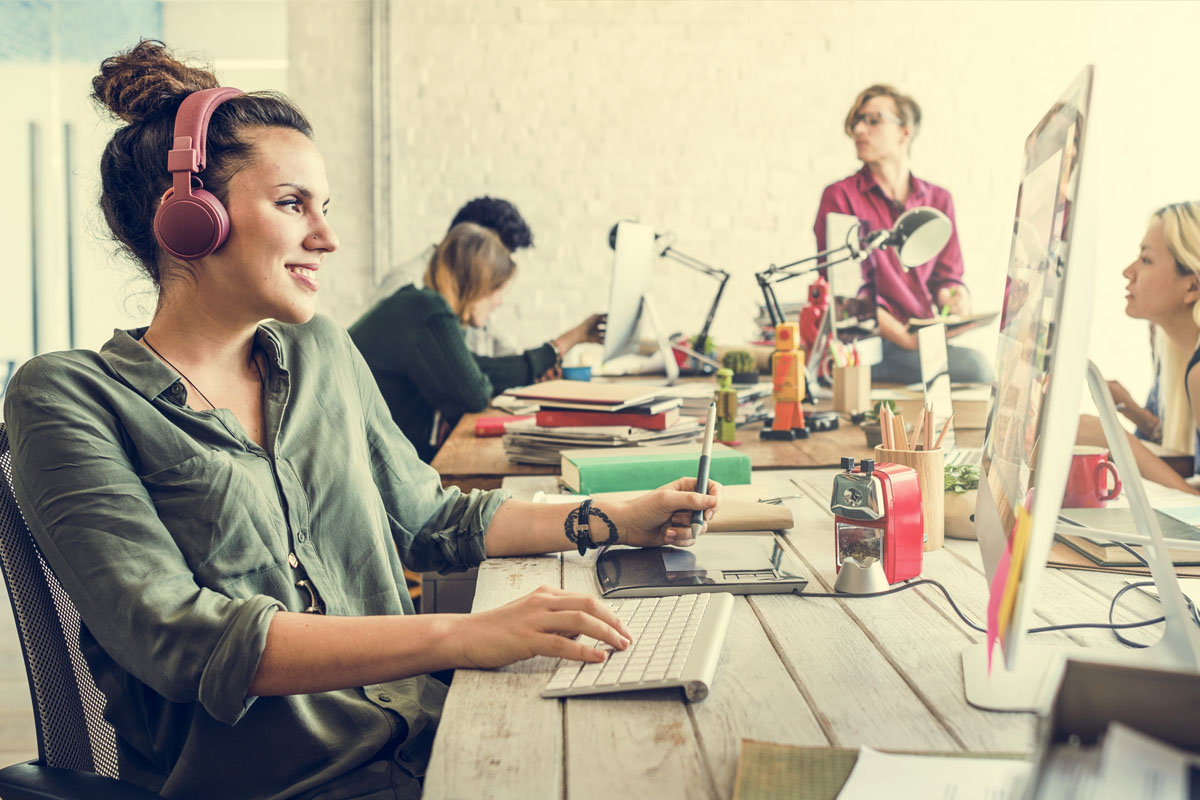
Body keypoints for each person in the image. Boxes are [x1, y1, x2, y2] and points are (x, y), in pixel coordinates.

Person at [2, 40, 720, 800]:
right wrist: (464, 637)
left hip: (427, 743)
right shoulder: (67, 398)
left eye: (325, 207)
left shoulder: (321, 350)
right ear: (188, 219)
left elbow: (432, 518)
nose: (327, 237)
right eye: (292, 204)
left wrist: (615, 518)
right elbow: (183, 637)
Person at [350, 222, 604, 462]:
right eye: (498, 290)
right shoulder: (427, 310)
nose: (499, 302)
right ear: (477, 284)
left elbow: (474, 368)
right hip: (369, 472)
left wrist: (565, 343)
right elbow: (473, 393)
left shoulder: (419, 306)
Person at [814, 83, 992, 385]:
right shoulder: (840, 197)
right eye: (857, 121)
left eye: (872, 120)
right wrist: (906, 339)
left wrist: (956, 297)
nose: (858, 129)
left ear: (904, 131)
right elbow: (846, 298)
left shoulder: (938, 201)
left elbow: (948, 279)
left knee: (977, 371)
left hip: (921, 337)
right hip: (869, 342)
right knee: (977, 368)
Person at [1078, 202, 1200, 493]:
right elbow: (1179, 446)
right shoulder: (1169, 348)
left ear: (1192, 287)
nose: (1127, 271)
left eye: (1145, 260)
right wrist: (1133, 412)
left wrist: (1112, 439)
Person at [371, 195, 547, 358]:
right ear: (469, 242)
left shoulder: (470, 292)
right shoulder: (405, 284)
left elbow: (496, 352)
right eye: (495, 254)